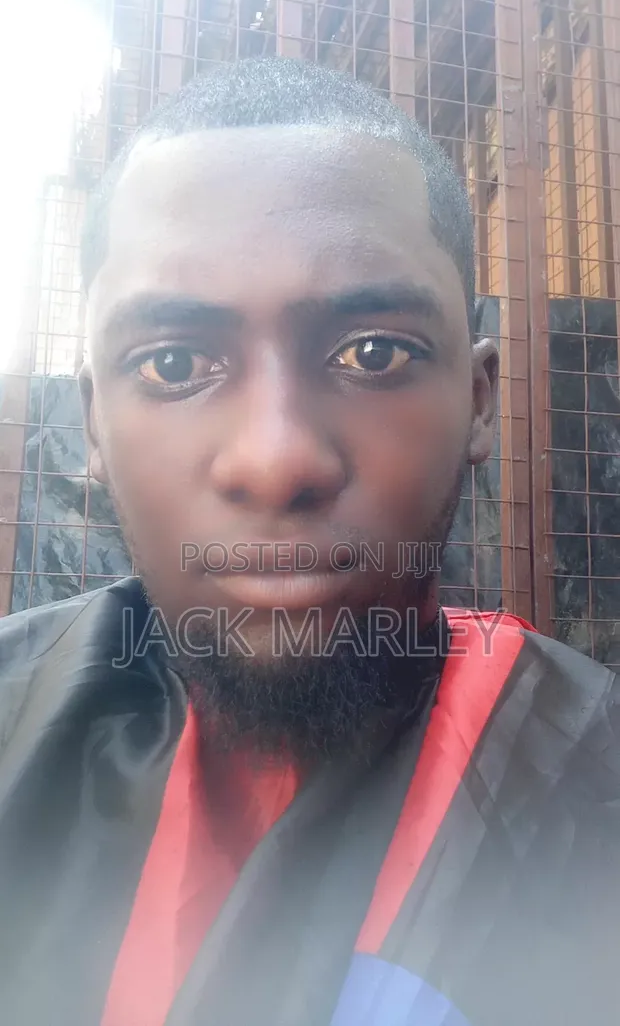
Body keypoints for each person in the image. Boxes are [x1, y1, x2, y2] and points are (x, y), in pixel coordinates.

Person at [0, 58, 618, 1026]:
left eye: (372, 353)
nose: (276, 458)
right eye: (173, 363)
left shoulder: (590, 790)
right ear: (92, 427)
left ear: (477, 401)